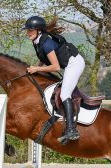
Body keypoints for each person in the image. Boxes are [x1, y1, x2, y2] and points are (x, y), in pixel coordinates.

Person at [22, 15, 85, 144]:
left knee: (65, 94)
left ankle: (71, 130)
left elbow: (55, 67)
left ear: (38, 31)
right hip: (68, 65)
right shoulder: (38, 41)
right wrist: (36, 68)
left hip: (75, 63)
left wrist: (37, 69)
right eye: (27, 30)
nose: (27, 33)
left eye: (30, 30)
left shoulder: (46, 43)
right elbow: (43, 58)